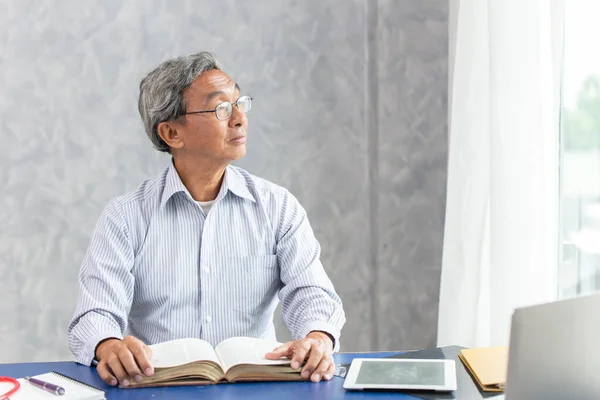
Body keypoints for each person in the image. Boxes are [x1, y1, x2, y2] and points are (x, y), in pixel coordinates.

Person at [67, 51, 346, 387]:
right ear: (172, 133)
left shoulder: (277, 206)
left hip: (257, 388)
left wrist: (317, 337)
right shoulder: (126, 217)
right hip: (162, 387)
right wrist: (108, 345)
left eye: (240, 103)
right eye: (221, 108)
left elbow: (311, 293)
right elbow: (94, 314)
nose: (240, 118)